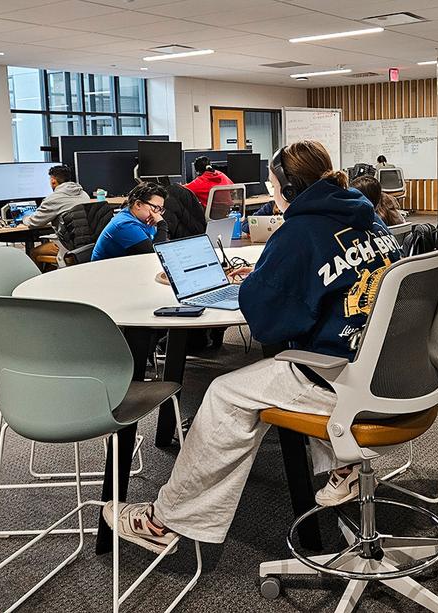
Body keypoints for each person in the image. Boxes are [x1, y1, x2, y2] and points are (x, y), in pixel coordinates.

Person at [102, 140, 403, 553]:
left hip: (340, 378)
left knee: (225, 393)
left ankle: (163, 520)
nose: (271, 189)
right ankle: (345, 464)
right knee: (280, 362)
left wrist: (256, 282)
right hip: (391, 370)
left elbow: (267, 323)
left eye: (273, 183)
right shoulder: (372, 221)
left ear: (290, 189)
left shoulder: (298, 232)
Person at [21, 165, 91, 269]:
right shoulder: (83, 193)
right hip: (88, 244)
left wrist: (24, 218)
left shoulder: (53, 199)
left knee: (34, 252)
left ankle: (38, 283)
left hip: (68, 245)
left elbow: (34, 222)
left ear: (53, 181)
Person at [91, 182, 168, 261]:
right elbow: (154, 256)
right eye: (156, 207)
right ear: (138, 204)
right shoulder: (124, 224)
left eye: (160, 209)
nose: (158, 213)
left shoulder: (144, 219)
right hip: (106, 270)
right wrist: (162, 224)